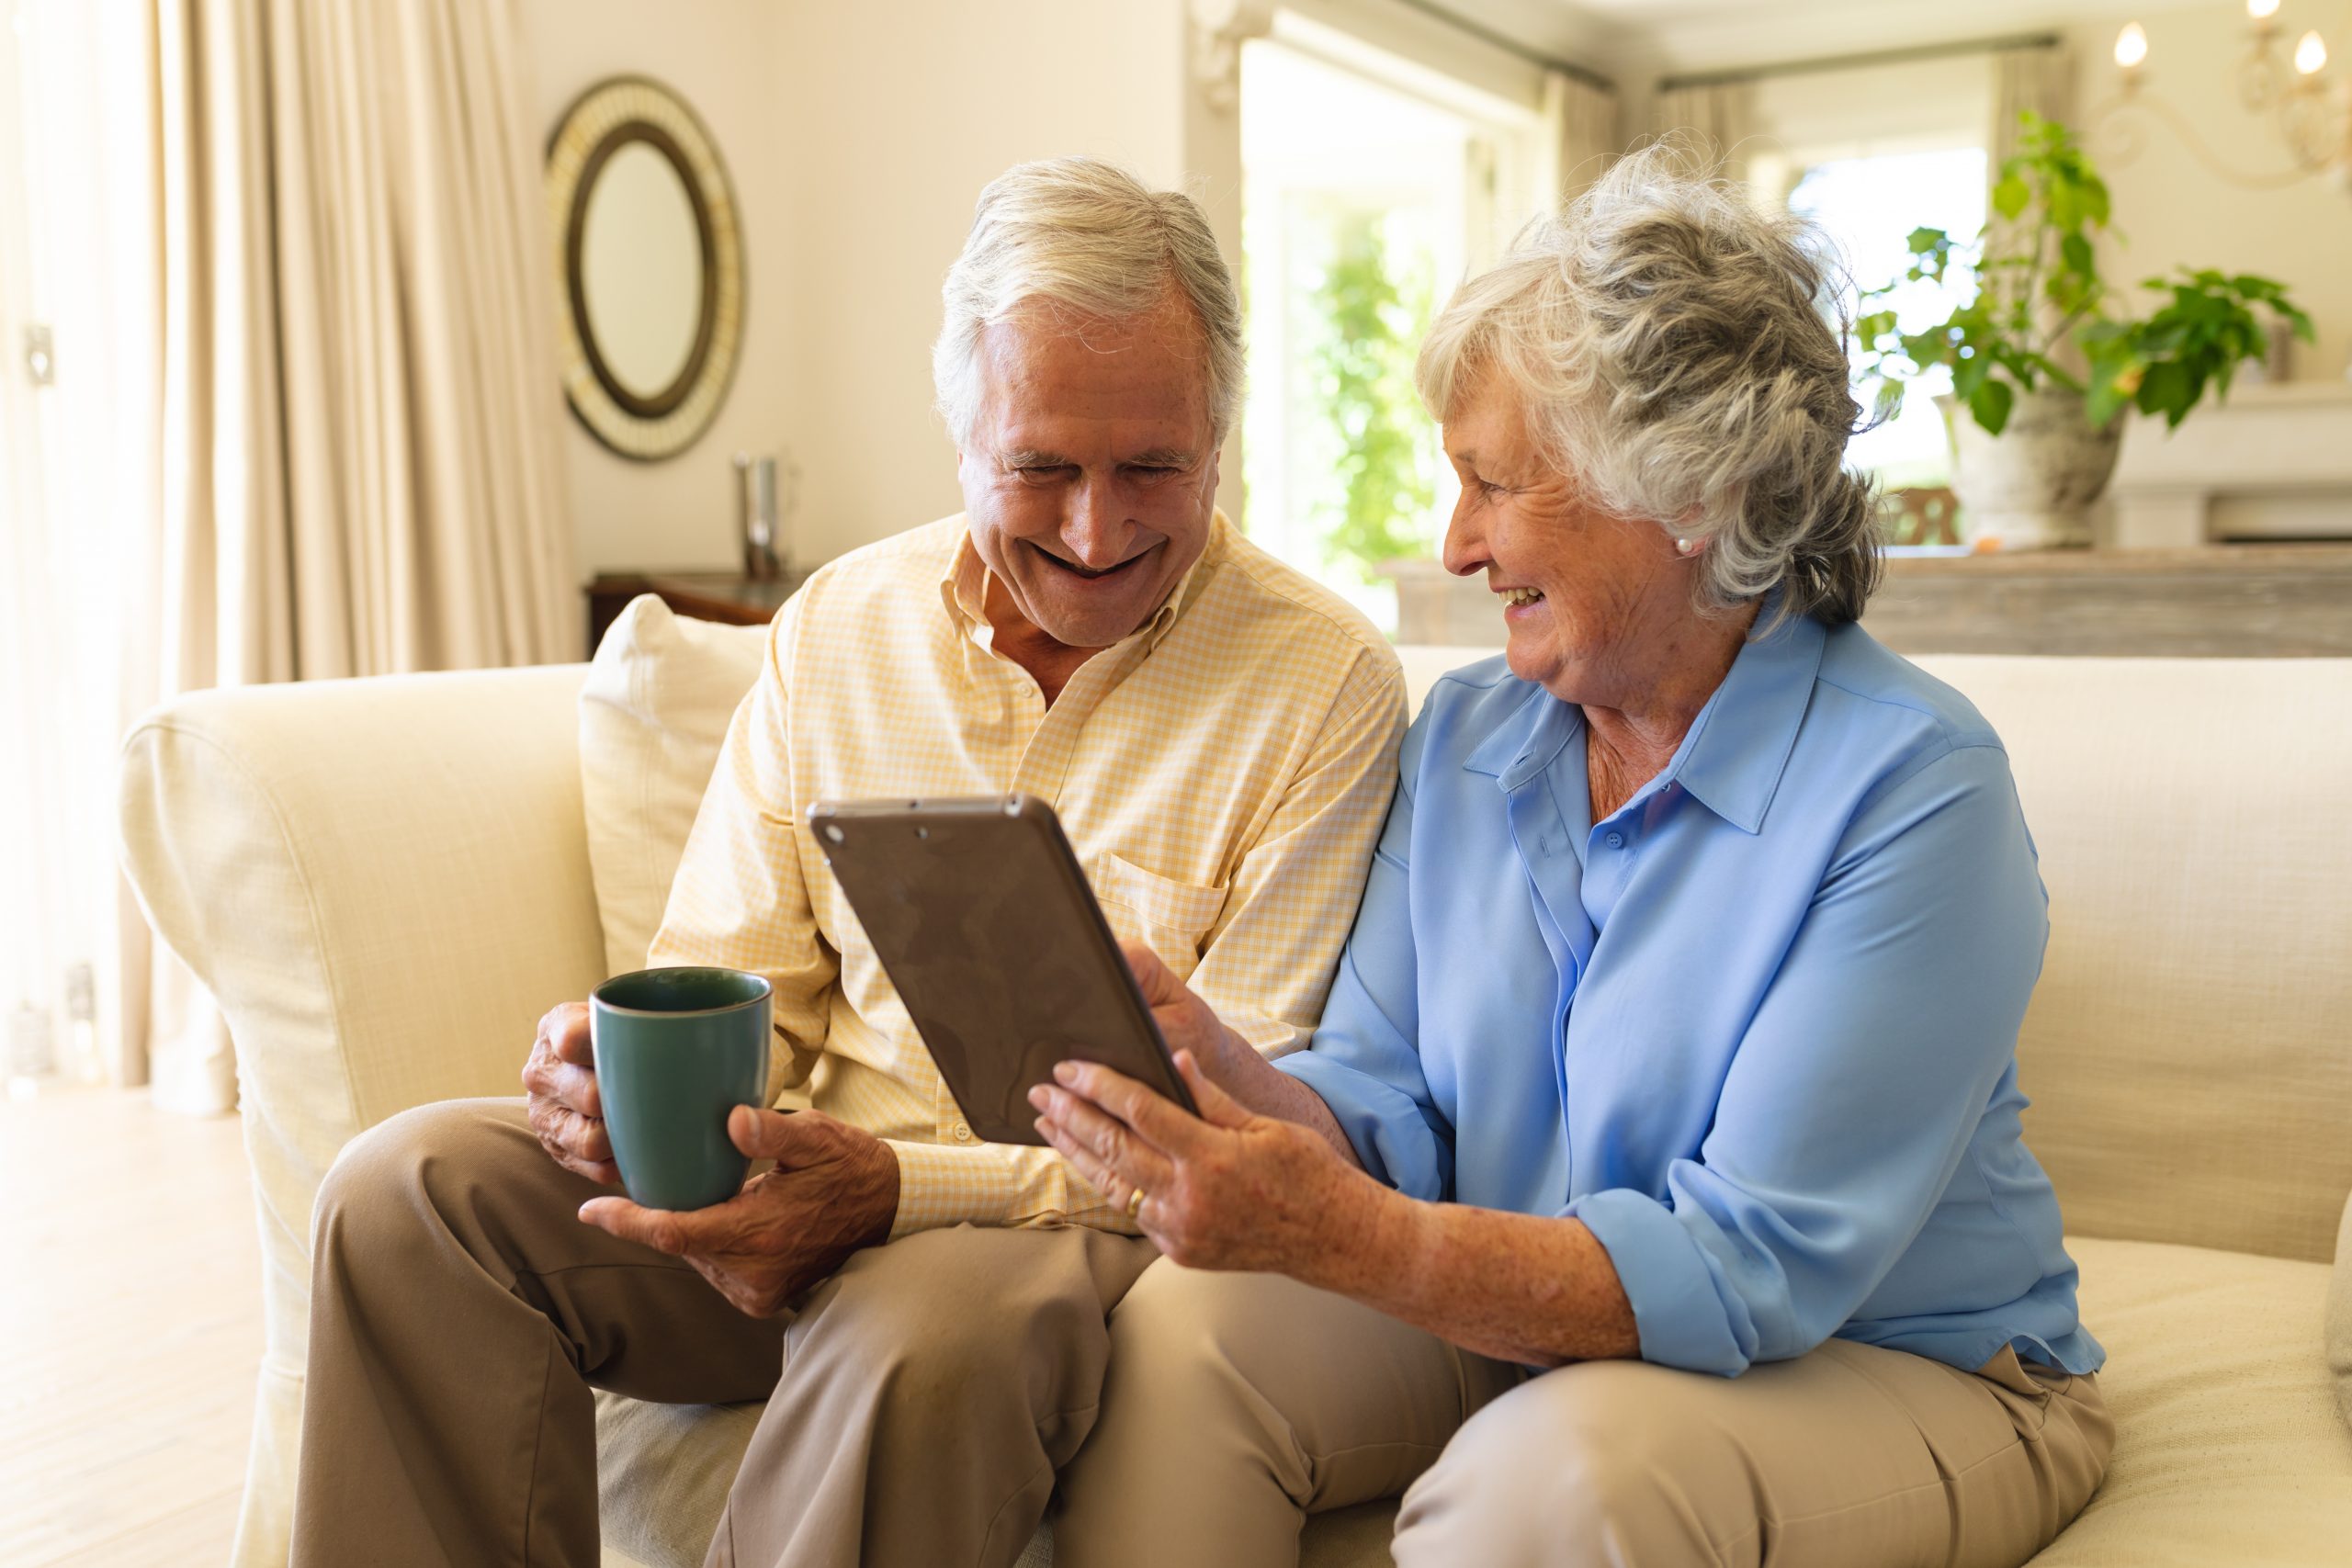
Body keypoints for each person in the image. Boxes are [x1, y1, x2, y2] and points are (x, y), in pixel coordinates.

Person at [288, 158, 1407, 1568]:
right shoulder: (839, 629)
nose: (1095, 529)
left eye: (1153, 469)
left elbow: (1232, 1149)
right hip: (787, 1180)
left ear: (1223, 438)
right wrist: (619, 1089)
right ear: (961, 439)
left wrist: (894, 1187)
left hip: (1046, 1232)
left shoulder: (1324, 686)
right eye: (1042, 468)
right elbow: (728, 987)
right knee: (405, 1194)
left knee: (918, 1335)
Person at [1035, 145, 2111, 1568]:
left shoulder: (1915, 792)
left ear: (1686, 497)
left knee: (1553, 1480)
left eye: (1493, 484)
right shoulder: (1475, 733)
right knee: (1182, 1336)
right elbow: (1388, 1101)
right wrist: (1241, 1093)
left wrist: (1356, 1241)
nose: (1456, 544)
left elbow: (1751, 1266)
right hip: (1525, 1298)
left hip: (1895, 1359)